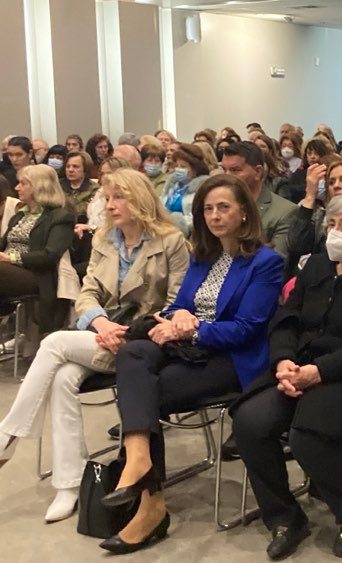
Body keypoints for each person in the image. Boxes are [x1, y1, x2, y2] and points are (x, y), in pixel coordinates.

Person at [99, 174, 284, 554]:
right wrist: (179, 317)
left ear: (244, 213)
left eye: (223, 207)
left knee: (144, 392)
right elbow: (178, 305)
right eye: (208, 209)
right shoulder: (203, 256)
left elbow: (247, 329)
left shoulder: (265, 262)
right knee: (133, 355)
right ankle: (139, 462)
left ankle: (149, 505)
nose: (214, 216)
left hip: (232, 358)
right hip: (186, 346)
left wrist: (194, 328)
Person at [0, 169, 189, 522]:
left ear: (140, 198)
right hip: (102, 333)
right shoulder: (105, 239)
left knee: (54, 342)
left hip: (144, 345)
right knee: (62, 378)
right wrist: (101, 323)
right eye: (107, 198)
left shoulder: (171, 241)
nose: (110, 205)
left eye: (119, 197)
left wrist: (127, 332)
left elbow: (177, 305)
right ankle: (69, 484)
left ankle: (8, 434)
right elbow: (87, 294)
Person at [230, 192, 342, 560]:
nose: (335, 233)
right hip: (302, 368)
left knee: (308, 434)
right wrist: (283, 361)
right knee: (249, 422)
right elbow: (287, 319)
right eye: (332, 224)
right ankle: (284, 516)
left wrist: (319, 372)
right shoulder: (316, 265)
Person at [0, 164, 75, 333]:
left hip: (37, 275)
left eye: (23, 183)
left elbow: (50, 256)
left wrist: (10, 258)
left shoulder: (60, 217)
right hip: (7, 271)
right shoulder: (20, 215)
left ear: (39, 186)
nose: (16, 188)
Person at [286, 159, 342, 272]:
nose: (336, 186)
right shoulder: (321, 217)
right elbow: (295, 246)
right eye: (331, 182)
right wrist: (310, 195)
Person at [220, 142, 297, 262]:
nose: (227, 176)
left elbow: (274, 262)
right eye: (224, 170)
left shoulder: (285, 212)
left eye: (235, 170)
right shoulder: (216, 208)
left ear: (258, 172)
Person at [161, 143, 210, 236]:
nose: (178, 169)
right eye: (177, 166)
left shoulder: (203, 187)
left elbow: (198, 217)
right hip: (165, 231)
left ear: (195, 168)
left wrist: (177, 224)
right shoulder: (173, 184)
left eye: (183, 167)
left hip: (190, 234)